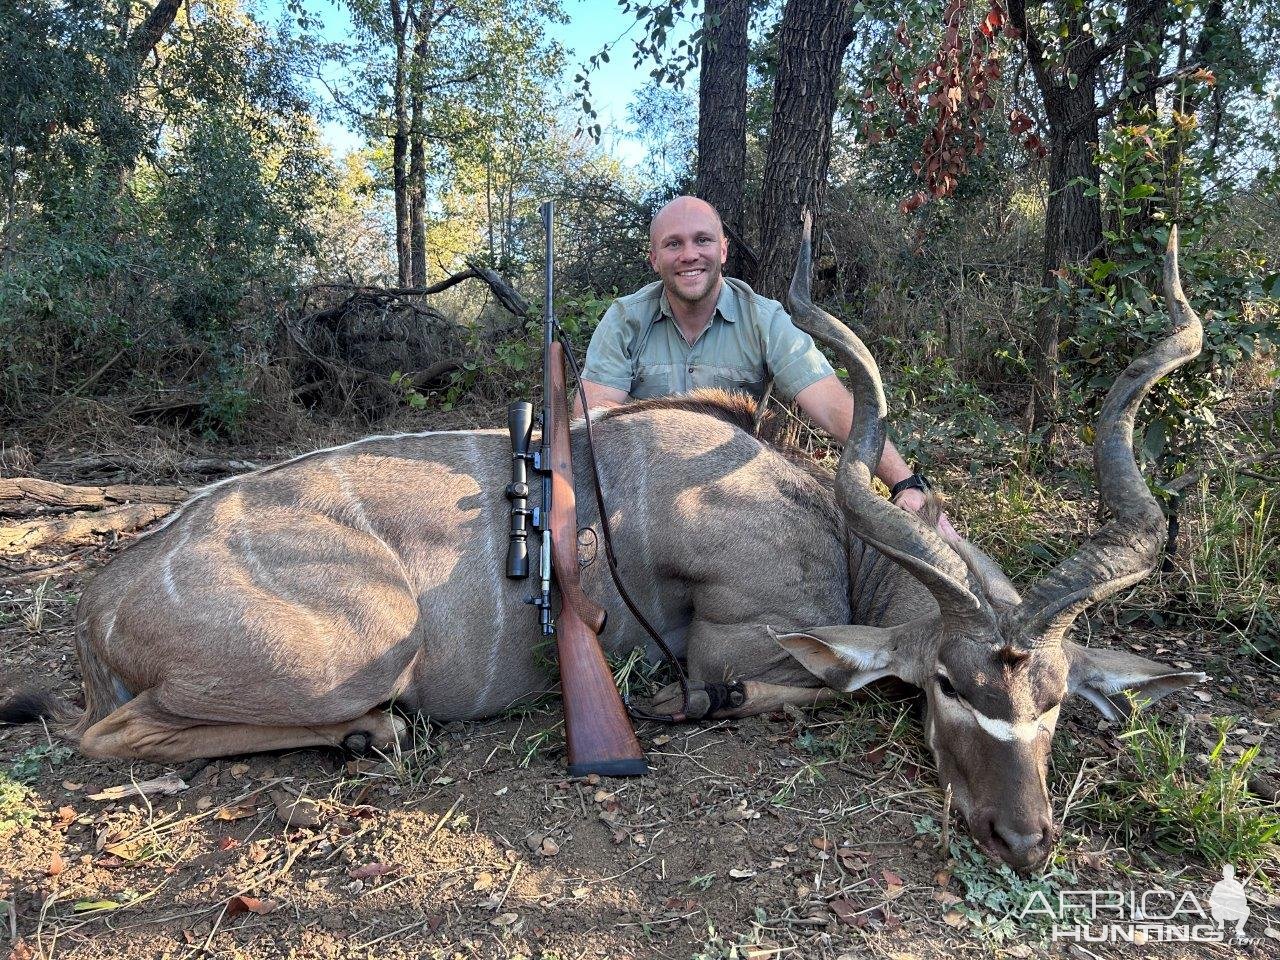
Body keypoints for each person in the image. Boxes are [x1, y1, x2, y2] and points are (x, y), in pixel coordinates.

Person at [575, 195, 946, 526]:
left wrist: (905, 482)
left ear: (722, 250)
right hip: (643, 496)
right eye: (674, 244)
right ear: (655, 259)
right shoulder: (626, 319)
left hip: (733, 497)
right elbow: (589, 423)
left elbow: (832, 406)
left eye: (702, 240)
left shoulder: (764, 318)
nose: (689, 254)